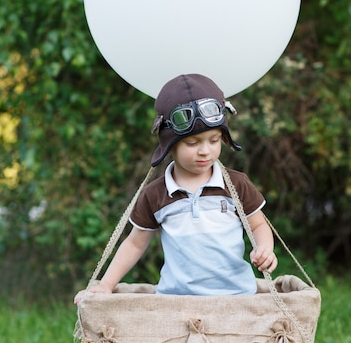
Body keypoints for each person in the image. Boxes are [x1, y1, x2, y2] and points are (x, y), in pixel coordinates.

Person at [74, 73, 277, 303]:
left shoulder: (235, 184)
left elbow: (259, 224)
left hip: (237, 299)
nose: (205, 151)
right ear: (169, 144)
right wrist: (106, 285)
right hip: (176, 302)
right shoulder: (156, 194)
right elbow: (134, 243)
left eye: (214, 140)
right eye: (192, 143)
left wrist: (264, 248)